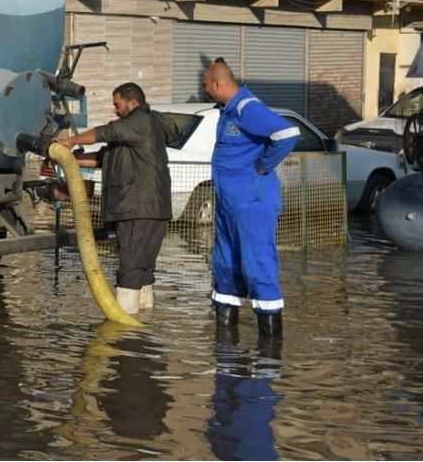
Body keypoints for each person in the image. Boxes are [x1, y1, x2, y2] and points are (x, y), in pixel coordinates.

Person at [201, 62, 299, 341]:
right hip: (229, 203)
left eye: (206, 85)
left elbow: (288, 134)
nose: (205, 90)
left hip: (251, 202)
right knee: (226, 265)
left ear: (217, 84)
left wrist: (263, 165)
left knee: (258, 266)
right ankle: (226, 345)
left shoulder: (247, 108)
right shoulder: (228, 111)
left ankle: (269, 349)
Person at [59, 82, 177, 314]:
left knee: (131, 266)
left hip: (138, 208)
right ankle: (143, 325)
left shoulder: (141, 121)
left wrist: (71, 141)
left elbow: (106, 132)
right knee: (142, 268)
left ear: (132, 102)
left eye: (117, 104)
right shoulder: (134, 133)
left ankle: (124, 331)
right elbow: (103, 157)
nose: (115, 110)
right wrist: (69, 158)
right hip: (150, 209)